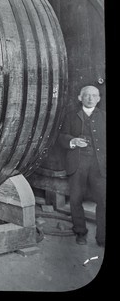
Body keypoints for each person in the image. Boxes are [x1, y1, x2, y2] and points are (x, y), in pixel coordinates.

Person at [58, 85, 106, 247]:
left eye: (94, 96)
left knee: (103, 200)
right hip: (77, 163)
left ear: (99, 99)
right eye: (86, 95)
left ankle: (102, 237)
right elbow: (61, 137)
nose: (90, 98)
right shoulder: (71, 116)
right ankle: (80, 232)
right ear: (80, 97)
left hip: (99, 165)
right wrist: (72, 141)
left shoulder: (104, 117)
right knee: (76, 199)